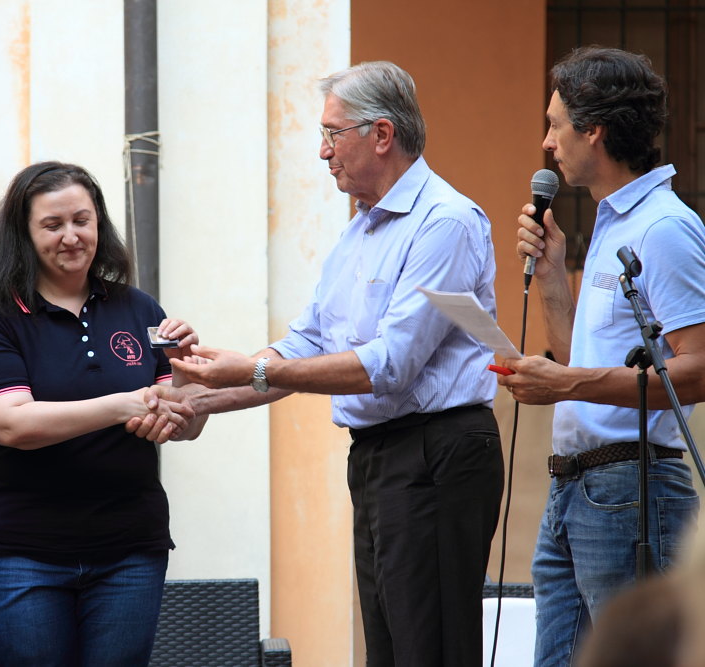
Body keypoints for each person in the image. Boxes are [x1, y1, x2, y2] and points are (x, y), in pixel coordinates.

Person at [145, 61, 505, 667]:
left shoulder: (445, 222)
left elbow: (388, 365)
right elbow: (302, 345)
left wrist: (248, 371)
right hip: (378, 455)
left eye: (332, 134)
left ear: (382, 135)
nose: (322, 151)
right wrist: (197, 395)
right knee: (390, 647)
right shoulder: (356, 234)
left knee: (431, 647)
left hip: (436, 450)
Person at [0, 161, 206, 667]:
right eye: (52, 225)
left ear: (98, 224)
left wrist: (183, 374)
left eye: (81, 221)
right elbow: (10, 424)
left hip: (130, 549)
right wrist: (123, 405)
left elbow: (185, 425)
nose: (71, 237)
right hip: (20, 553)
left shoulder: (139, 309)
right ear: (24, 235)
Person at [499, 46, 705, 666]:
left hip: (631, 485)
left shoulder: (663, 228)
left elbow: (697, 369)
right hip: (576, 485)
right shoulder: (613, 223)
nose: (546, 142)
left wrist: (564, 385)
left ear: (594, 130)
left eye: (556, 125)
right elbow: (578, 358)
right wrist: (552, 274)